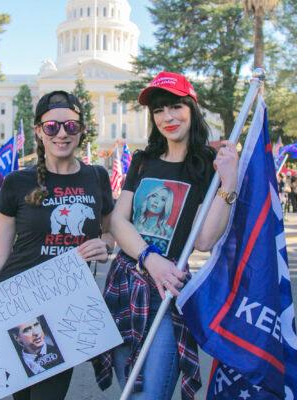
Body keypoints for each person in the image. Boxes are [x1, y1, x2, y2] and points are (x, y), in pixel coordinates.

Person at [0, 90, 113, 400]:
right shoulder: (18, 181)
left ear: (81, 129)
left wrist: (104, 245)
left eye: (70, 126)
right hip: (17, 303)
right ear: (39, 131)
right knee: (23, 396)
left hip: (66, 305)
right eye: (51, 126)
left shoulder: (96, 177)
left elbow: (110, 233)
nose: (61, 133)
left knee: (49, 394)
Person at [94, 72, 238, 400]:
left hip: (165, 290)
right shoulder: (143, 162)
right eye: (159, 110)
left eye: (175, 107)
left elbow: (202, 240)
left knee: (151, 394)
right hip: (124, 284)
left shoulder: (205, 165)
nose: (167, 117)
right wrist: (149, 258)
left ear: (191, 109)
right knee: (130, 389)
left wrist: (228, 184)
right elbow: (119, 220)